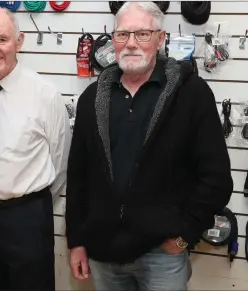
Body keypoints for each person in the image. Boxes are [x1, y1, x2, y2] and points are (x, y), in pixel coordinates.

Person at [65, 2, 233, 290]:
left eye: (142, 34)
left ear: (161, 38)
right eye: (122, 35)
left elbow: (216, 179)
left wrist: (185, 234)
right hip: (103, 254)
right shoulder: (91, 98)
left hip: (162, 256)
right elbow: (78, 177)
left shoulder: (192, 94)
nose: (130, 44)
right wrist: (77, 240)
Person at [0, 7, 72, 291]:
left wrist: (25, 201)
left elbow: (60, 163)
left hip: (27, 219)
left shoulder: (45, 95)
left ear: (19, 42)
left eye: (2, 39)